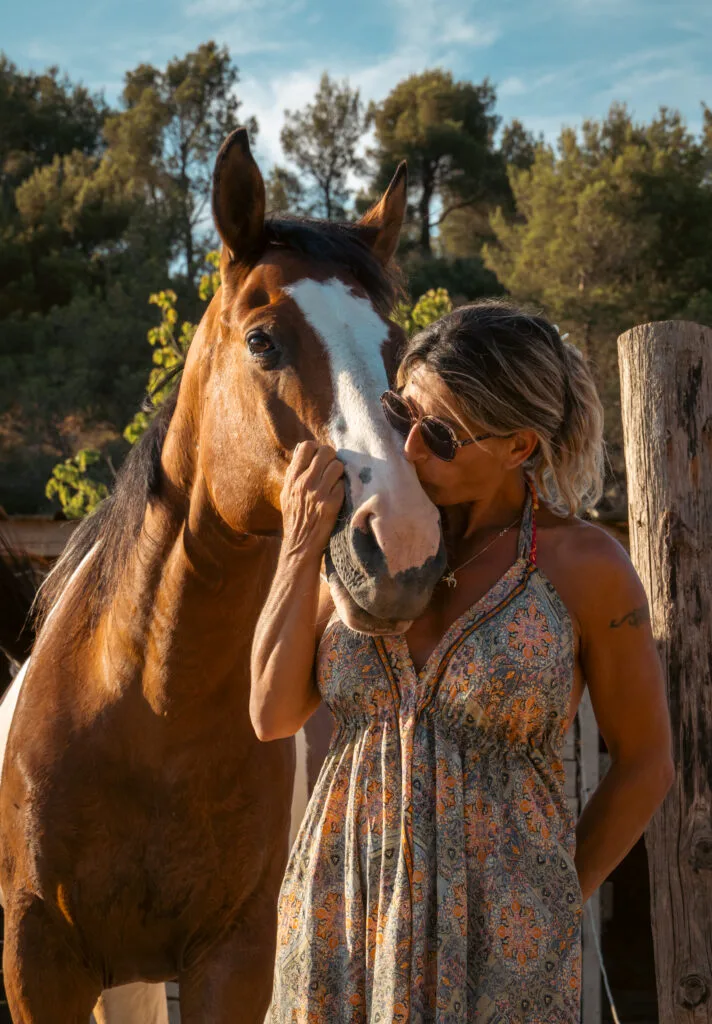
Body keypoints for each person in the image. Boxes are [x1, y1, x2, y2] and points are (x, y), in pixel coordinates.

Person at [252, 300, 674, 1023]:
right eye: (402, 414)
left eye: (442, 436)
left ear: (518, 447)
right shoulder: (368, 538)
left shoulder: (585, 566)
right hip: (340, 913)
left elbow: (646, 763)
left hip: (504, 937)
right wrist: (300, 547)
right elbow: (271, 713)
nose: (410, 448)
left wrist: (552, 893)